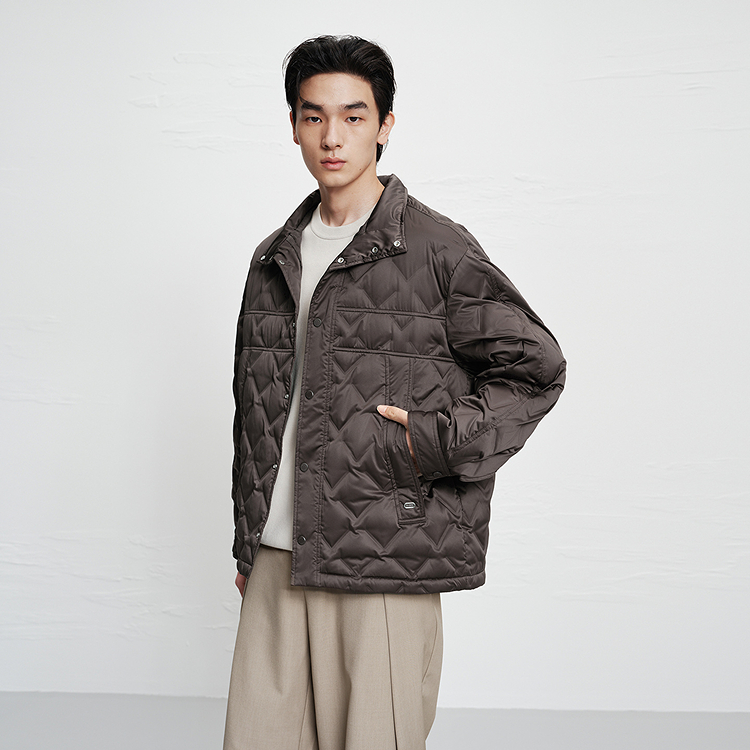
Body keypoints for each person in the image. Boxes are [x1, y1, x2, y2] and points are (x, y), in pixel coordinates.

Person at [223, 35, 566, 750]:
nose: (332, 137)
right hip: (279, 556)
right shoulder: (273, 258)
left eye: (353, 116)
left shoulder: (437, 249)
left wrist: (426, 445)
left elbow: (536, 368)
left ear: (384, 125)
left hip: (385, 558)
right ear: (294, 127)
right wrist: (249, 538)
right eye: (314, 116)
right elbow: (257, 407)